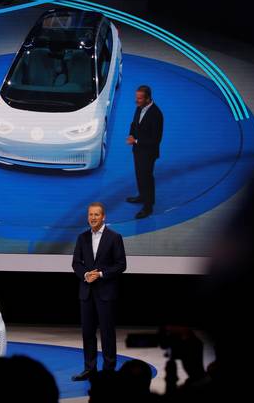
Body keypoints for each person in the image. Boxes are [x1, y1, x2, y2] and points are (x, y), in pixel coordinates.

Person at [71, 202, 126, 381]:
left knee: (107, 333)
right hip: (86, 292)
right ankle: (90, 368)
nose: (93, 218)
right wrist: (86, 274)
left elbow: (121, 265)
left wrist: (101, 274)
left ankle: (109, 371)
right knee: (87, 332)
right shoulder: (82, 237)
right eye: (90, 215)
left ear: (104, 217)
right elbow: (76, 263)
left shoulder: (114, 237)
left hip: (106, 292)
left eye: (96, 215)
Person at [126, 85, 163, 219]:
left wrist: (135, 141)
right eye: (136, 97)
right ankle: (142, 196)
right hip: (138, 150)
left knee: (146, 178)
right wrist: (131, 135)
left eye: (140, 98)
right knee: (139, 175)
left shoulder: (156, 115)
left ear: (148, 98)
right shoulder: (139, 108)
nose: (137, 100)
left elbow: (155, 140)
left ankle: (148, 207)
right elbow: (134, 124)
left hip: (148, 153)